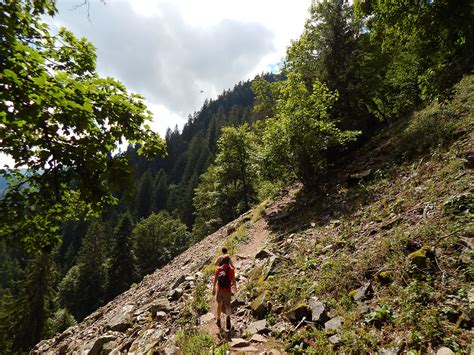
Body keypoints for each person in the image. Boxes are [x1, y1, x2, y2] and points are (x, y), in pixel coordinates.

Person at [212, 255, 236, 330]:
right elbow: (233, 280)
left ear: (222, 261)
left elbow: (215, 280)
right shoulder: (231, 270)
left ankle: (218, 320)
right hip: (227, 290)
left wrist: (213, 289)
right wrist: (235, 287)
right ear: (229, 261)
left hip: (219, 290)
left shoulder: (218, 269)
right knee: (228, 305)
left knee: (219, 304)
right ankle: (228, 318)